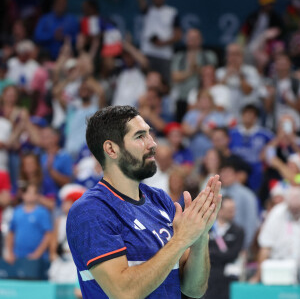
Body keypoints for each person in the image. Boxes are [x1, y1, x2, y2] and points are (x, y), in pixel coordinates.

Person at [66, 105, 222, 299]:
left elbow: (194, 289)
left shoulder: (160, 200)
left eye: (150, 134)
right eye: (140, 136)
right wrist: (181, 239)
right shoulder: (90, 211)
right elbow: (124, 292)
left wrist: (200, 236)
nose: (153, 143)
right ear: (111, 149)